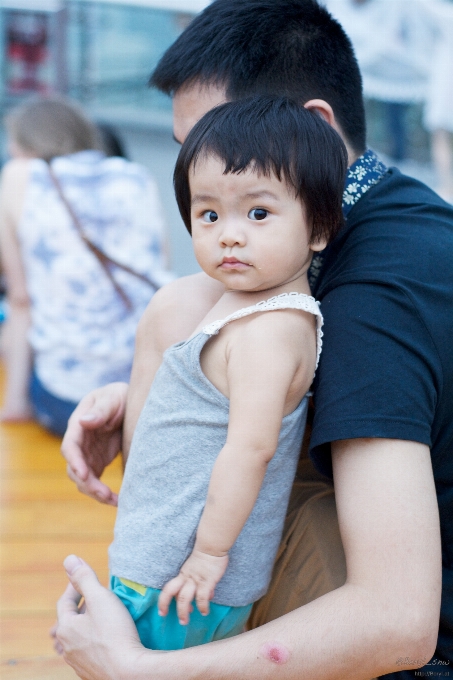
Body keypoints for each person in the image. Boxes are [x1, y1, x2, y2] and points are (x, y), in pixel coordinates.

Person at [54, 1, 453, 678]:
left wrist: (134, 672)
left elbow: (398, 620)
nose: (196, 177)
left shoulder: (378, 296)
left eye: (210, 145)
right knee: (181, 308)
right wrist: (168, 397)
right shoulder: (377, 214)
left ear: (314, 130)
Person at [108, 95, 346, 650]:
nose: (229, 234)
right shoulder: (243, 304)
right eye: (208, 214)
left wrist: (209, 553)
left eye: (258, 213)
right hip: (172, 564)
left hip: (184, 578)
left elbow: (251, 449)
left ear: (319, 228)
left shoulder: (270, 331)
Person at [0, 95, 171, 435]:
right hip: (144, 395)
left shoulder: (20, 175)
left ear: (24, 143)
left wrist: (15, 403)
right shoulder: (136, 176)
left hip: (68, 403)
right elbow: (159, 273)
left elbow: (21, 298)